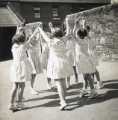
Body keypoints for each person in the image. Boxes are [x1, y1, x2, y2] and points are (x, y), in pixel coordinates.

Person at [38, 23, 73, 110]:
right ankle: (64, 100)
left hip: (55, 64)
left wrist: (39, 29)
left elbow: (44, 35)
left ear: (53, 35)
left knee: (59, 83)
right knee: (63, 82)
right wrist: (68, 23)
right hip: (64, 62)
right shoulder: (63, 40)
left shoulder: (50, 41)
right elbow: (68, 33)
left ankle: (62, 101)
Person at [9, 28, 39, 111]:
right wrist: (36, 31)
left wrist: (18, 30)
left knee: (15, 86)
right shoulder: (23, 46)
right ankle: (20, 103)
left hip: (15, 67)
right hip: (22, 67)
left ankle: (11, 104)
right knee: (22, 86)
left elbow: (16, 37)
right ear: (22, 40)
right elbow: (29, 39)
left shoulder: (13, 46)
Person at [73, 17, 98, 98]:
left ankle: (93, 91)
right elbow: (86, 33)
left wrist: (75, 25)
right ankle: (85, 90)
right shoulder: (86, 38)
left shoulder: (78, 41)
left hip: (82, 60)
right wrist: (83, 24)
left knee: (87, 76)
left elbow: (73, 33)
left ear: (78, 35)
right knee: (85, 76)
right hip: (86, 59)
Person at [27, 27, 42, 95]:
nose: (33, 39)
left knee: (34, 74)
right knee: (31, 74)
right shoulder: (28, 45)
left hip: (36, 60)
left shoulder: (36, 43)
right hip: (31, 61)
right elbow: (30, 38)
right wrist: (34, 32)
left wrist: (38, 30)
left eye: (33, 38)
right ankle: (30, 88)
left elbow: (38, 37)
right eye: (32, 38)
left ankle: (31, 87)